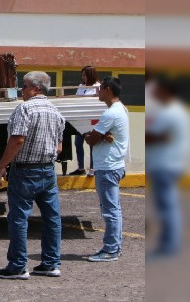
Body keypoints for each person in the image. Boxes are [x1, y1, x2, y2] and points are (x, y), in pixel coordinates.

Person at [0, 71, 65, 279]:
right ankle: (51, 263)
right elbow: (59, 147)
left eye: (24, 86)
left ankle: (17, 266)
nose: (21, 90)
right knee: (52, 218)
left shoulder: (25, 109)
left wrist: (2, 166)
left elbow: (17, 140)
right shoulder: (55, 111)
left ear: (35, 88)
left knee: (18, 218)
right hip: (47, 169)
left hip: (25, 170)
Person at [84, 76, 129, 262]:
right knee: (113, 208)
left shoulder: (111, 113)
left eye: (100, 88)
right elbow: (100, 136)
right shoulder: (121, 109)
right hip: (114, 165)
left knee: (110, 210)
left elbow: (92, 138)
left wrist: (91, 136)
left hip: (108, 167)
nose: (98, 91)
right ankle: (114, 247)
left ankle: (111, 249)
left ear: (108, 90)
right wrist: (98, 136)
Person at [146, 77, 189, 258]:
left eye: (158, 91)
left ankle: (168, 246)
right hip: (169, 164)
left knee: (166, 207)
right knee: (168, 206)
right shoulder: (176, 111)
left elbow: (158, 136)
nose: (155, 94)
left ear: (167, 92)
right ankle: (169, 244)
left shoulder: (170, 113)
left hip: (165, 164)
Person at [69, 65, 100, 176]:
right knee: (78, 143)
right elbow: (77, 99)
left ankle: (92, 168)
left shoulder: (98, 86)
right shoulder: (81, 86)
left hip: (92, 119)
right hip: (81, 119)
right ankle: (81, 167)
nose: (82, 77)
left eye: (84, 75)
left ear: (89, 75)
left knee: (91, 143)